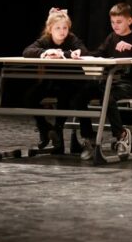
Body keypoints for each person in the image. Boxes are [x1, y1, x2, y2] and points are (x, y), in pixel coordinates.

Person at [89, 2, 132, 155]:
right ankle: (88, 137)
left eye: (119, 22)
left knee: (108, 97)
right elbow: (98, 53)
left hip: (128, 85)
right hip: (110, 83)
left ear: (130, 21)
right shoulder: (111, 37)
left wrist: (131, 48)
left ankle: (121, 135)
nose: (115, 25)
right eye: (112, 22)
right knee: (81, 95)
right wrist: (78, 54)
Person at [22, 8, 91, 155]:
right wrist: (45, 52)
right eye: (58, 28)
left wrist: (65, 54)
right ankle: (45, 129)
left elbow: (84, 51)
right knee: (30, 97)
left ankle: (58, 131)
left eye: (65, 28)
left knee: (65, 95)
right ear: (50, 29)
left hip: (73, 82)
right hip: (51, 82)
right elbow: (27, 51)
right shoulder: (46, 40)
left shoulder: (71, 39)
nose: (62, 31)